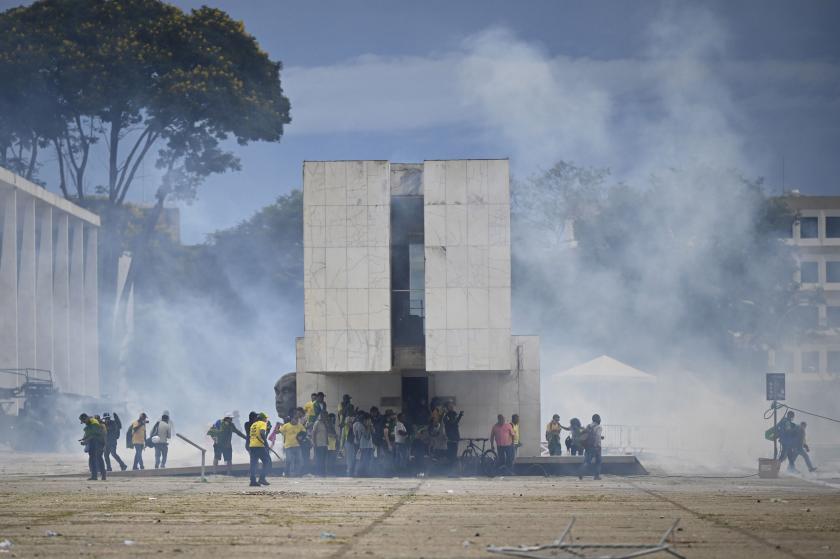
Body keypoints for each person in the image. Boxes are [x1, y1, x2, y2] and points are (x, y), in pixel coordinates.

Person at [79, 413, 106, 481]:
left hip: (98, 442)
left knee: (97, 458)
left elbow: (94, 434)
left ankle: (99, 476)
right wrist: (84, 439)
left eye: (84, 421)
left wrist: (86, 441)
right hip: (94, 442)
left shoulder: (94, 422)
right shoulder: (90, 422)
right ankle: (98, 476)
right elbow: (89, 433)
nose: (84, 423)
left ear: (86, 418)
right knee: (95, 458)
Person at [248, 412, 271, 486]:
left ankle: (252, 481)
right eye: (266, 418)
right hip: (259, 446)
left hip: (252, 446)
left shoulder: (253, 424)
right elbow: (261, 433)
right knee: (267, 461)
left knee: (253, 464)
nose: (266, 420)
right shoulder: (262, 423)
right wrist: (266, 443)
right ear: (263, 418)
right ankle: (262, 478)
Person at [578, 413, 603, 480]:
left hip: (588, 446)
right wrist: (597, 445)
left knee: (587, 461)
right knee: (598, 461)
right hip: (595, 447)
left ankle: (581, 472)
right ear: (598, 419)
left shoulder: (589, 426)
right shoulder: (599, 427)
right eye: (599, 418)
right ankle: (596, 476)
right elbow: (597, 436)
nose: (600, 420)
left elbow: (587, 435)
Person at [442, 401, 464, 466]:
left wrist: (459, 416)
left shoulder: (452, 414)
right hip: (451, 437)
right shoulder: (446, 416)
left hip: (455, 437)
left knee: (453, 454)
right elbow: (453, 423)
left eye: (452, 406)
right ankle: (451, 470)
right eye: (450, 406)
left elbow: (455, 423)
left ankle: (452, 470)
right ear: (447, 407)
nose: (452, 407)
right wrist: (459, 416)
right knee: (451, 455)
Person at [353, 411, 374, 477]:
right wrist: (368, 427)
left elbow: (373, 432)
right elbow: (367, 436)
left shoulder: (367, 425)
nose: (370, 421)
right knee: (363, 461)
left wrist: (371, 426)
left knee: (368, 460)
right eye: (369, 420)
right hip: (364, 447)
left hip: (369, 446)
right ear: (365, 420)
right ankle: (362, 473)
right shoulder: (360, 426)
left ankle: (365, 473)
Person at [311, 410, 329, 476]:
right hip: (318, 444)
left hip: (324, 444)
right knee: (319, 459)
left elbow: (326, 433)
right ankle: (318, 473)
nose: (326, 417)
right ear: (322, 415)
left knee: (324, 459)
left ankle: (323, 473)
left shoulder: (325, 423)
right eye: (325, 415)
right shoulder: (317, 423)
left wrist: (327, 442)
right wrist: (314, 443)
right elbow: (313, 433)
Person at [343, 412, 358, 476]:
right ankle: (349, 469)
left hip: (353, 443)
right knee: (349, 457)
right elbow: (343, 437)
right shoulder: (345, 427)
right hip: (348, 443)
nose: (350, 423)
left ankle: (352, 469)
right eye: (349, 422)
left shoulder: (354, 425)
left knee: (354, 457)